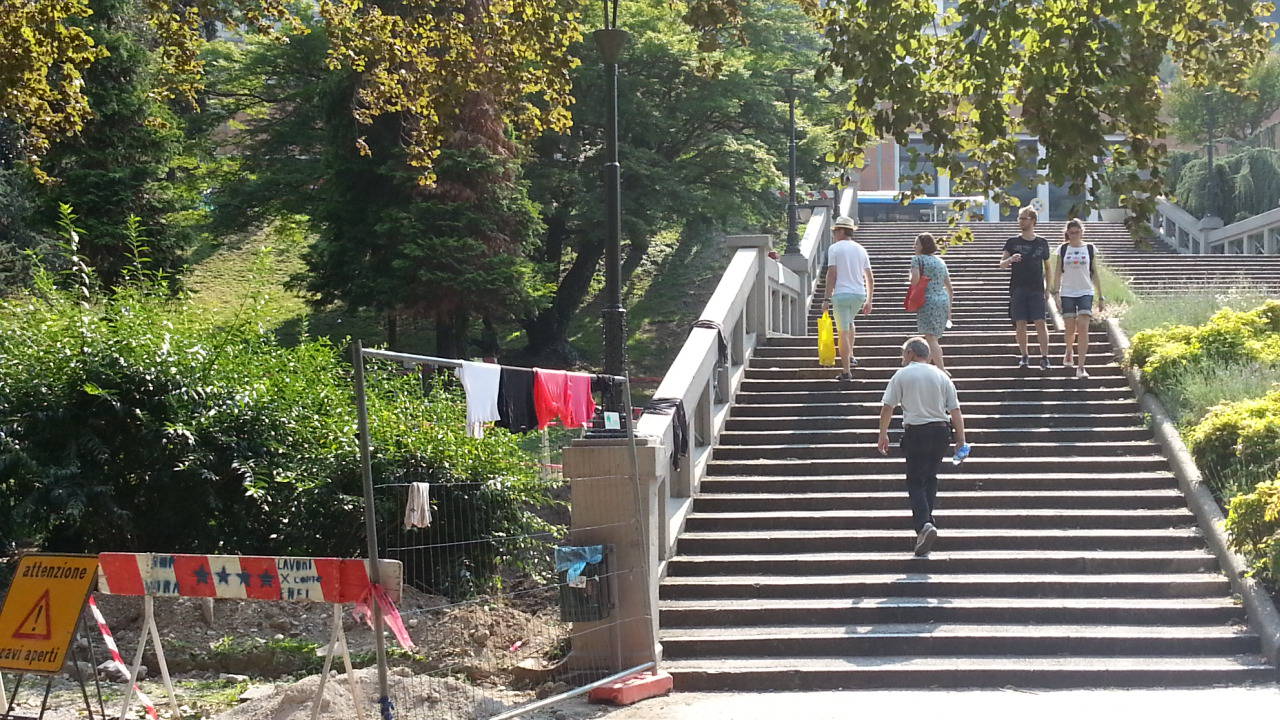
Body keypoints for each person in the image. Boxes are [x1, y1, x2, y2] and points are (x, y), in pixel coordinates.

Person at [877, 337, 967, 556]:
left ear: (910, 354)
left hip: (916, 431)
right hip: (941, 431)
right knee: (930, 477)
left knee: (915, 480)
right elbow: (955, 410)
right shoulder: (941, 375)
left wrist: (883, 433)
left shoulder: (902, 374)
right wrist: (961, 440)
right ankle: (926, 525)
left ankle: (924, 525)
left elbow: (888, 407)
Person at [1050, 218, 1106, 379]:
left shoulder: (1089, 248)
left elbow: (1094, 272)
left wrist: (1101, 295)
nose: (1074, 235)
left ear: (1082, 232)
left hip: (1085, 291)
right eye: (1071, 233)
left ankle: (1081, 366)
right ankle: (1069, 349)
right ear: (1067, 233)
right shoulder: (1062, 249)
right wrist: (1055, 294)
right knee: (1069, 327)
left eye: (1077, 232)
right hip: (1067, 292)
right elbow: (1057, 273)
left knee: (1083, 326)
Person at [821, 215, 875, 381]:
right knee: (849, 323)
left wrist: (826, 298)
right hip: (859, 294)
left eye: (836, 230)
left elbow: (832, 273)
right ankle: (851, 355)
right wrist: (869, 300)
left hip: (841, 295)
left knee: (842, 331)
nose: (834, 234)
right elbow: (870, 276)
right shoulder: (861, 249)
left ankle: (846, 371)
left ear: (842, 231)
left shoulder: (835, 248)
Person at [999, 205, 1053, 369]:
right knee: (1020, 323)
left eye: (1024, 218)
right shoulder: (1012, 242)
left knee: (1040, 322)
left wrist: (1048, 289)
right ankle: (1024, 356)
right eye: (1019, 218)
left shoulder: (1042, 243)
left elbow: (1048, 268)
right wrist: (1010, 260)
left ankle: (1044, 357)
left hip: (1036, 288)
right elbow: (1001, 264)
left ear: (1033, 221)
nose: (1020, 221)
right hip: (1018, 288)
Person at [908, 232, 954, 375]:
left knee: (931, 338)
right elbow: (950, 287)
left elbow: (914, 281)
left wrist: (910, 276)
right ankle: (926, 366)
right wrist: (949, 310)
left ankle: (941, 369)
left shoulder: (917, 259)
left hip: (927, 300)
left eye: (916, 243)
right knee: (933, 337)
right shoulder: (940, 261)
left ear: (923, 246)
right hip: (942, 300)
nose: (914, 246)